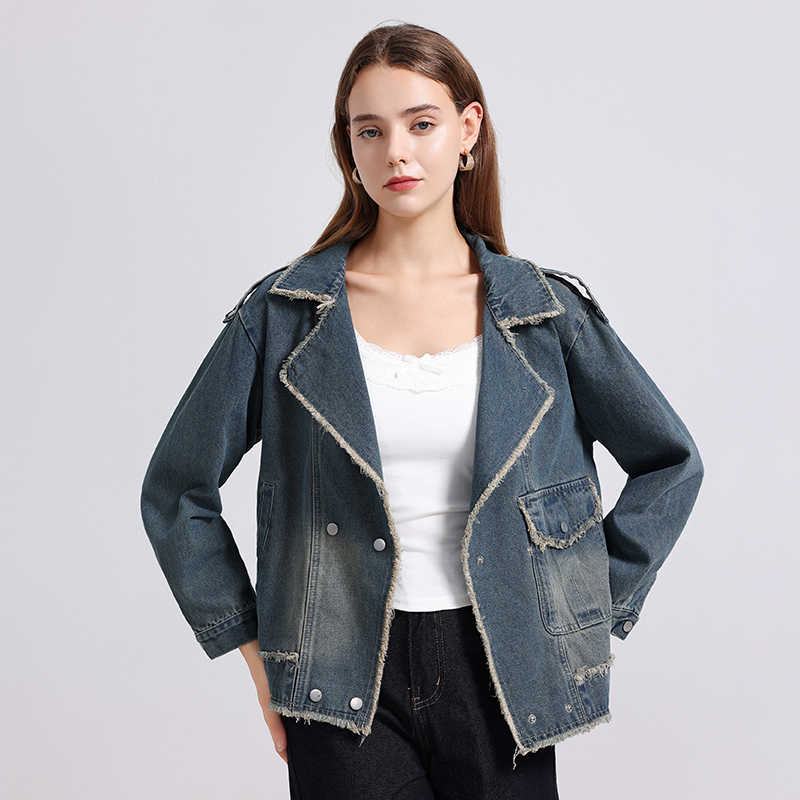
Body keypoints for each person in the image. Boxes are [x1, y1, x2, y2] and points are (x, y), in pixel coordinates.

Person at [141, 22, 703, 800]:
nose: (395, 152)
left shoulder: (543, 315)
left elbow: (670, 463)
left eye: (421, 124)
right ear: (349, 148)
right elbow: (176, 490)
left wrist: (579, 610)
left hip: (503, 662)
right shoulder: (283, 316)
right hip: (338, 672)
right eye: (369, 131)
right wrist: (253, 651)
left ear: (468, 131)